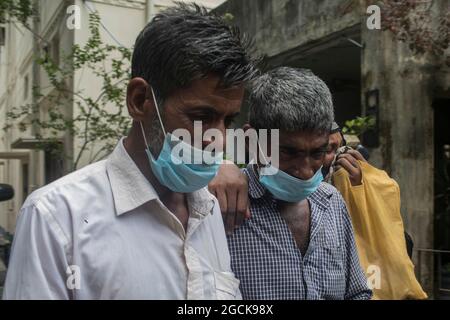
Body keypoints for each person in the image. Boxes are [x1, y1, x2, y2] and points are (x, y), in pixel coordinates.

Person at [3, 3, 257, 300]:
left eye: (228, 120)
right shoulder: (56, 219)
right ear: (139, 101)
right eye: (201, 118)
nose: (220, 140)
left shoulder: (210, 209)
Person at [224, 67, 371, 299]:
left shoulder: (332, 203)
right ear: (252, 141)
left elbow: (357, 292)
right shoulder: (224, 207)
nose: (304, 171)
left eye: (317, 153)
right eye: (288, 152)